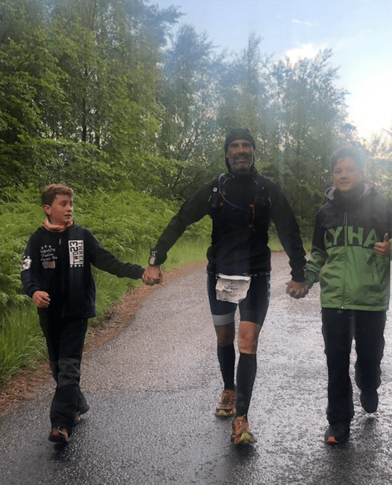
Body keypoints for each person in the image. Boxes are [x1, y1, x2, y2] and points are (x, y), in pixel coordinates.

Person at [142, 128, 308, 446]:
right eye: (235, 146)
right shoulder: (215, 188)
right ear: (227, 153)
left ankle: (242, 419)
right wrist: (156, 258)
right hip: (220, 275)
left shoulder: (268, 189)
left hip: (256, 275)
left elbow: (288, 228)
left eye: (247, 145)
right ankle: (228, 388)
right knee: (225, 337)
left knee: (247, 342)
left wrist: (298, 272)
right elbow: (181, 219)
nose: (241, 150)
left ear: (254, 151)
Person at [302, 146, 392, 445]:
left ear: (362, 172)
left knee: (369, 357)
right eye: (338, 170)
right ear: (333, 175)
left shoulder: (381, 206)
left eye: (349, 169)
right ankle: (338, 422)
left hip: (371, 301)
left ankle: (369, 383)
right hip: (333, 301)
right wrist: (306, 281)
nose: (343, 175)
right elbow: (318, 255)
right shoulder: (325, 213)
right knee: (336, 362)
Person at [21, 183, 145, 445]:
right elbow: (27, 272)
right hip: (49, 313)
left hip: (77, 312)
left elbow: (109, 261)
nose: (69, 208)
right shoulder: (37, 239)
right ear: (47, 208)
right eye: (63, 204)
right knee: (57, 368)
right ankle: (78, 404)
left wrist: (140, 272)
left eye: (70, 204)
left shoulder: (82, 236)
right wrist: (33, 292)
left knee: (68, 368)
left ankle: (60, 424)